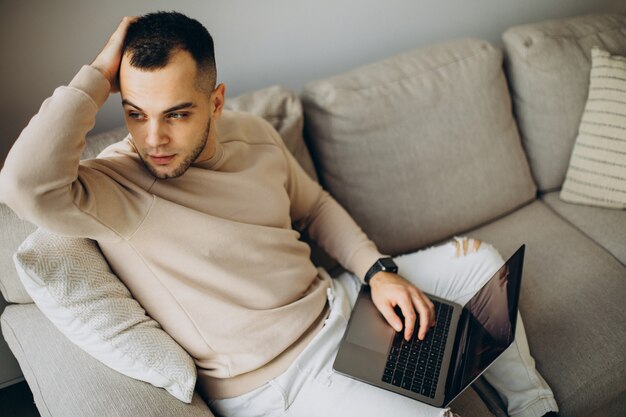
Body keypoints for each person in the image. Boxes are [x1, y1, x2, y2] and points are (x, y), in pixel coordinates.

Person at [0, 12, 559, 417]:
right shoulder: (115, 187)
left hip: (339, 306)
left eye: (177, 114)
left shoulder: (255, 135)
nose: (154, 139)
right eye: (135, 114)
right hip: (282, 384)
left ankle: (534, 408)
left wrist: (378, 272)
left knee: (483, 264)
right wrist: (98, 73)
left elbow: (313, 207)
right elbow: (23, 184)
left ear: (216, 103)